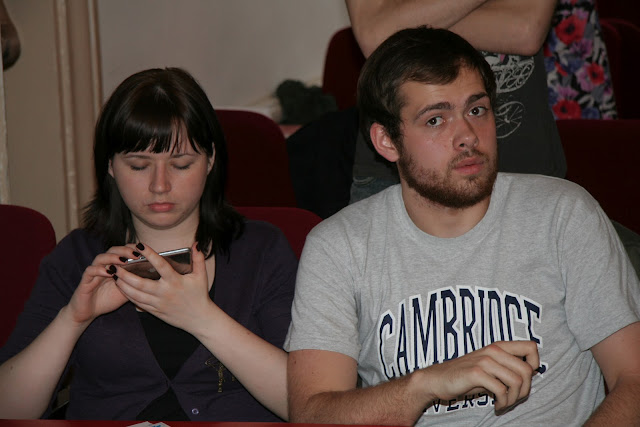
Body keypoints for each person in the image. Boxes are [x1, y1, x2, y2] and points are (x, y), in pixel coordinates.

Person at [285, 27, 640, 426]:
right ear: (387, 141)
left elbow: (633, 379)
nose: (468, 136)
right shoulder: (339, 246)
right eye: (435, 119)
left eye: (477, 110)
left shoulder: (563, 213)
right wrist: (425, 385)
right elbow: (312, 415)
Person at [0, 68, 294, 421]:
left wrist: (202, 318)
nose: (160, 185)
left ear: (210, 160)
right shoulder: (77, 257)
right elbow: (9, 410)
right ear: (110, 166)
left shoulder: (261, 251)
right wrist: (72, 320)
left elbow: (305, 402)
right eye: (139, 165)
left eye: (181, 164)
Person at [345, 0, 566, 204]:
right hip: (395, 172)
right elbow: (375, 36)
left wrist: (405, 20)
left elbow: (526, 30)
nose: (467, 136)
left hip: (524, 159)